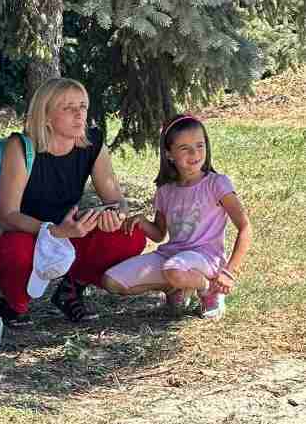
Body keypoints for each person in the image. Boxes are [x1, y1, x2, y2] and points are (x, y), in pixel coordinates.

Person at [0, 78, 146, 322]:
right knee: (15, 250)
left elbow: (118, 201)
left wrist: (117, 216)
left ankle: (71, 288)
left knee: (131, 236)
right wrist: (54, 231)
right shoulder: (20, 146)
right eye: (68, 108)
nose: (79, 114)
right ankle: (15, 304)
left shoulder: (92, 142)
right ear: (45, 116)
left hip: (71, 230)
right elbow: (8, 216)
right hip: (28, 233)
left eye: (83, 106)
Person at [101, 115, 252, 320]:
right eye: (184, 148)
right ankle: (175, 287)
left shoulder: (217, 184)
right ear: (169, 154)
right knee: (111, 281)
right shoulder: (165, 190)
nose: (195, 153)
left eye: (200, 145)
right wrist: (143, 223)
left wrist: (228, 272)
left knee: (173, 268)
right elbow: (159, 234)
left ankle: (208, 288)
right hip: (173, 257)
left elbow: (245, 227)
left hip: (206, 258)